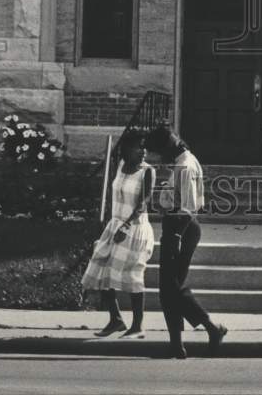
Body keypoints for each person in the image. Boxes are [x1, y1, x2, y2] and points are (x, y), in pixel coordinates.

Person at [145, 121, 227, 359]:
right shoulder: (182, 162)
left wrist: (175, 237)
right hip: (176, 226)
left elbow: (186, 208)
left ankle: (213, 328)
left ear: (168, 147)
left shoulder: (185, 167)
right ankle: (176, 344)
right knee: (167, 290)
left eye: (159, 152)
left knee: (172, 287)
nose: (159, 158)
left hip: (181, 227)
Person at [81, 129, 155, 338]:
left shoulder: (147, 171)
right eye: (139, 146)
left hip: (135, 229)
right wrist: (113, 224)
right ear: (127, 149)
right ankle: (116, 320)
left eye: (145, 147)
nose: (143, 151)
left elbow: (143, 202)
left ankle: (138, 326)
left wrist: (127, 225)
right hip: (115, 225)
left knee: (133, 277)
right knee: (101, 272)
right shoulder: (121, 166)